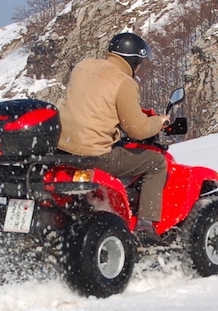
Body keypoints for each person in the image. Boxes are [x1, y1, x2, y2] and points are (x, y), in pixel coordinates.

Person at [57, 32, 170, 240]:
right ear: (135, 60)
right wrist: (159, 122)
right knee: (156, 163)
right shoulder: (124, 82)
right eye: (140, 63)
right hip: (94, 154)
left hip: (61, 149)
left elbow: (92, 104)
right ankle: (146, 227)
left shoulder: (83, 66)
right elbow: (138, 129)